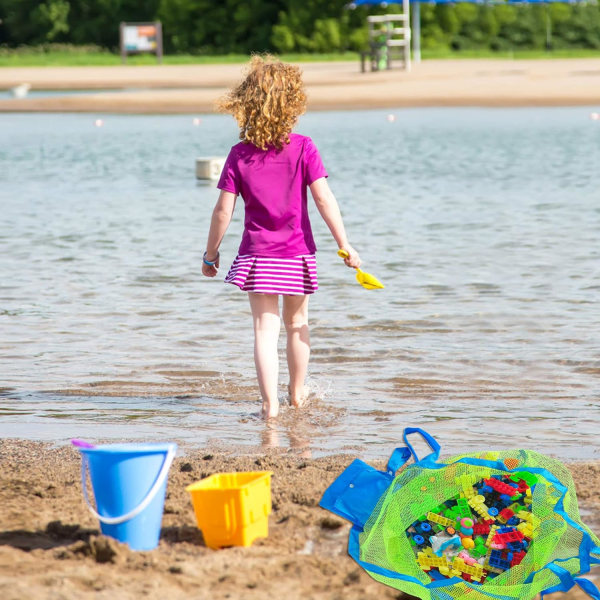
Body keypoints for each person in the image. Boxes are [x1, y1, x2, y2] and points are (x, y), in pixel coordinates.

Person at [201, 55, 361, 419]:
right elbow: (323, 198)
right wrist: (344, 244)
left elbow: (223, 211)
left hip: (258, 255)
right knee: (298, 324)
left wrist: (210, 254)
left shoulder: (239, 154)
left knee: (263, 330)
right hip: (296, 254)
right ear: (292, 104)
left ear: (246, 104)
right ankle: (297, 393)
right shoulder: (303, 147)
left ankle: (270, 405)